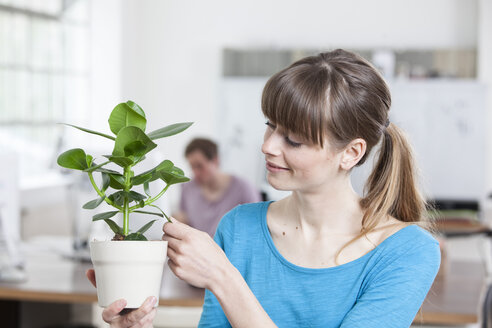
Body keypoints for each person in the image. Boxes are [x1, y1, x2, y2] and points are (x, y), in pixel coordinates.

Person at [89, 49, 440, 327]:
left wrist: (222, 277)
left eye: (293, 140)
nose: (269, 146)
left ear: (350, 153)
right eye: (270, 127)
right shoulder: (239, 228)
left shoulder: (408, 251)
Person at [173, 138, 262, 236]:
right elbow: (183, 219)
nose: (195, 172)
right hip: (194, 248)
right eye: (192, 167)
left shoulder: (244, 189)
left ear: (215, 160)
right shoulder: (188, 188)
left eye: (199, 166)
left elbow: (254, 229)